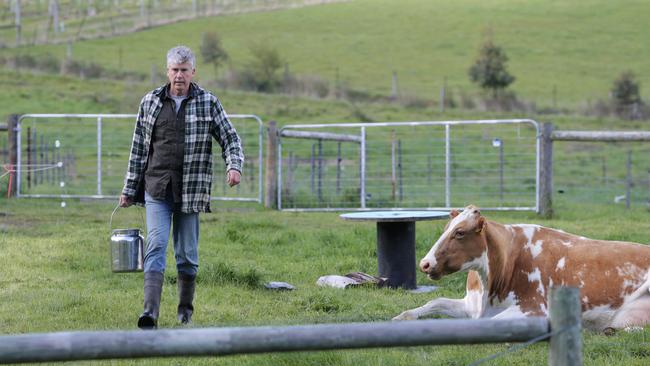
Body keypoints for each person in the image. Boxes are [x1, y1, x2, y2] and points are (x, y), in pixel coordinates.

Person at [119, 45, 244, 329]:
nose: (179, 76)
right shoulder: (149, 102)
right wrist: (129, 188)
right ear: (167, 71)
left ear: (193, 72)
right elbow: (138, 148)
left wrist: (234, 165)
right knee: (156, 245)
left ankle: (184, 312)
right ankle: (149, 313)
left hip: (191, 190)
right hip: (157, 188)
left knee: (186, 254)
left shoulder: (208, 103)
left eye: (184, 71)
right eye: (174, 70)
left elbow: (231, 138)